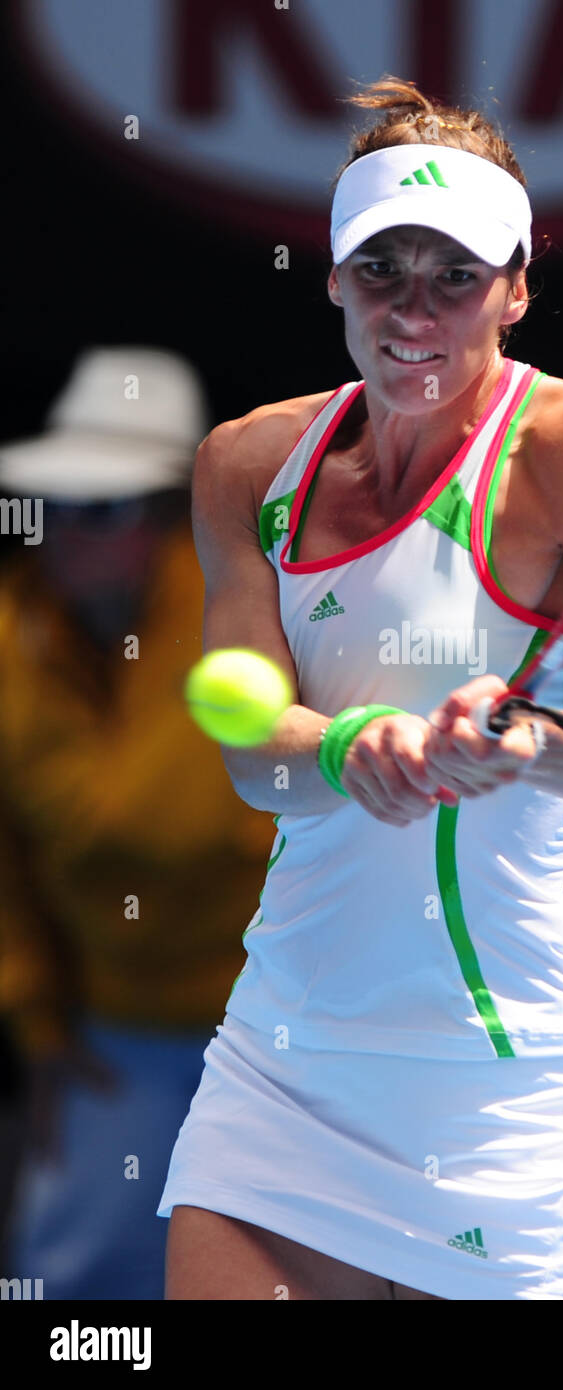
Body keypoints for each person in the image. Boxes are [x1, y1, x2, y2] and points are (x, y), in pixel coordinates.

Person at [158, 76, 563, 1301]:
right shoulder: (247, 464)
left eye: (455, 275)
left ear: (515, 286)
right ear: (335, 277)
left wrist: (520, 738)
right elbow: (254, 760)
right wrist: (349, 744)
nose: (416, 309)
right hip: (281, 1070)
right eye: (383, 267)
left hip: (509, 1109)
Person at [0, 347, 279, 1299]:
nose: (72, 534)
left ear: (168, 521)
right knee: (65, 1287)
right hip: (108, 1040)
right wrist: (37, 1026)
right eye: (61, 508)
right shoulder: (5, 633)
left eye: (107, 508)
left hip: (272, 1036)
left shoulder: (250, 621)